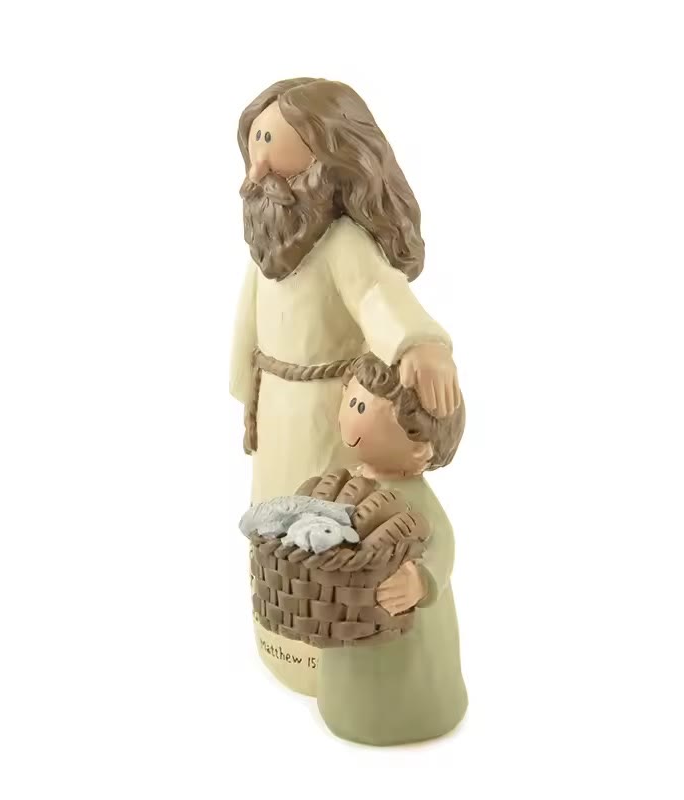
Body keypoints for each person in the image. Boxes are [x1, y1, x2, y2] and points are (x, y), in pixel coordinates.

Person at [230, 78, 462, 696]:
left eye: (273, 141)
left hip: (330, 408)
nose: (258, 162)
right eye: (255, 140)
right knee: (274, 524)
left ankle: (331, 655)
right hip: (275, 404)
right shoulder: (269, 243)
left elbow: (377, 295)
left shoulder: (341, 241)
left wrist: (418, 343)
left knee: (331, 526)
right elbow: (248, 321)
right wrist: (245, 390)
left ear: (326, 152)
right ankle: (279, 634)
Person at [316, 352, 467, 745]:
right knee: (350, 668)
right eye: (351, 400)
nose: (349, 416)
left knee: (405, 672)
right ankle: (343, 707)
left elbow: (443, 544)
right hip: (347, 616)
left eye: (362, 408)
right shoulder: (349, 483)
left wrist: (421, 581)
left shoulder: (416, 501)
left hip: (405, 629)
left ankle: (418, 715)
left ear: (420, 449)